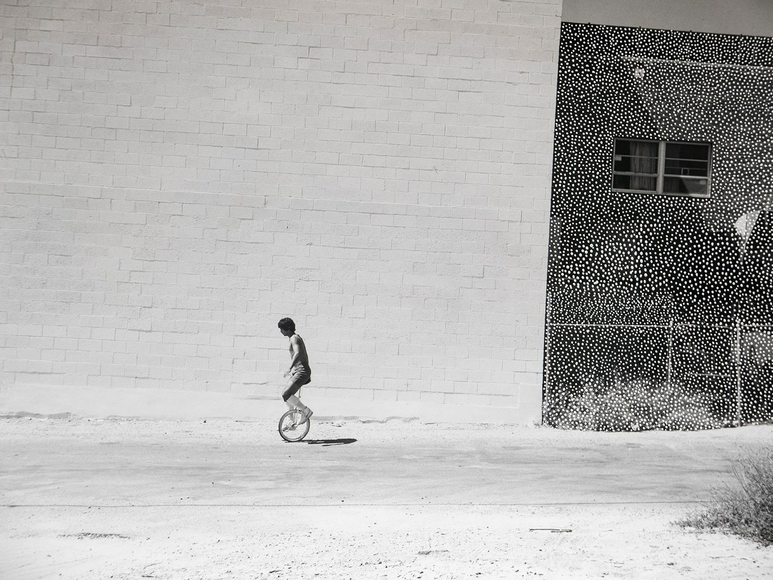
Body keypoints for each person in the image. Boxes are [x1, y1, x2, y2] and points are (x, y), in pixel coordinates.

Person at [277, 318, 313, 426]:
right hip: (299, 371)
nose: (280, 331)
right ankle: (290, 422)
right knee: (287, 396)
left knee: (286, 394)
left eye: (282, 329)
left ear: (288, 328)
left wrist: (290, 368)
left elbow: (297, 353)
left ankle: (305, 411)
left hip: (302, 371)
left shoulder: (294, 338)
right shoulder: (294, 338)